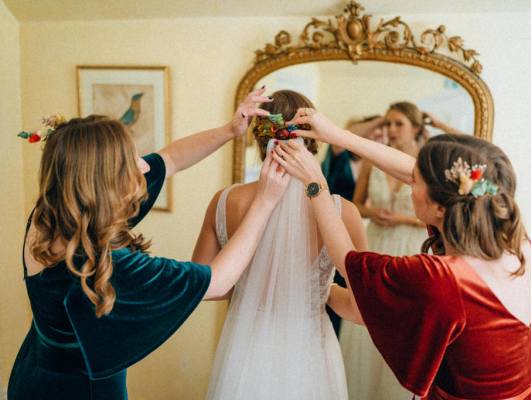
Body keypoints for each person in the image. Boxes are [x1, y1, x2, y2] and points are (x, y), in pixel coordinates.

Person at [8, 87, 291, 400]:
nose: (143, 167)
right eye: (131, 162)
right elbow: (217, 281)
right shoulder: (107, 264)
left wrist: (231, 129)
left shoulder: (51, 211)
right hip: (82, 390)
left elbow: (170, 158)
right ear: (105, 183)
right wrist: (264, 203)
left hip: (32, 374)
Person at [274, 108, 531, 400]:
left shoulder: (443, 277)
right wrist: (337, 135)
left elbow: (348, 262)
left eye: (417, 183)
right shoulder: (518, 245)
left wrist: (316, 185)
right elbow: (414, 171)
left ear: (440, 207)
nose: (410, 186)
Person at [193, 90, 366, 400]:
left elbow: (205, 286)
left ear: (259, 138)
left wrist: (254, 285)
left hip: (246, 346)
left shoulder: (224, 201)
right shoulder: (343, 212)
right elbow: (359, 309)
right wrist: (316, 290)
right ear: (314, 138)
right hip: (309, 349)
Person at [342, 101, 429, 400]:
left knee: (401, 326)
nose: (391, 130)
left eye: (398, 124)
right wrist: (372, 212)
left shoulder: (426, 164)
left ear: (416, 128)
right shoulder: (371, 162)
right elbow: (355, 204)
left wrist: (402, 218)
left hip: (410, 248)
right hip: (376, 243)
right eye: (388, 123)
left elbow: (437, 214)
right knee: (368, 321)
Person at [321, 115, 384, 336]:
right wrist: (381, 119)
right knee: (328, 288)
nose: (378, 135)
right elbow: (342, 135)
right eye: (373, 131)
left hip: (353, 231)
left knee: (352, 291)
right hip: (329, 228)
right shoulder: (339, 156)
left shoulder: (372, 166)